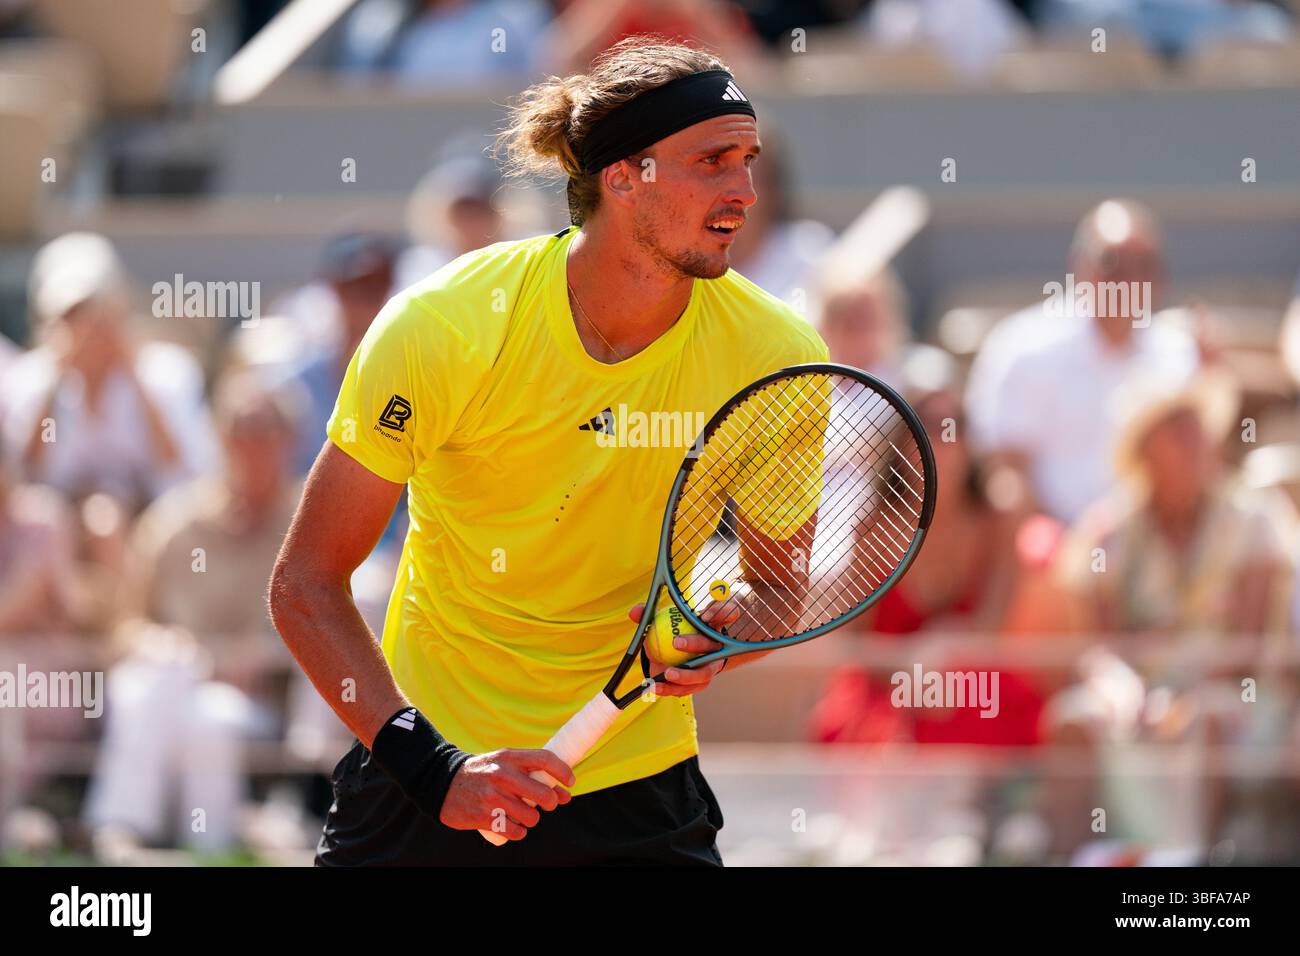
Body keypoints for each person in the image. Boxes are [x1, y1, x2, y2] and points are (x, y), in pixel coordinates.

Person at [269, 37, 828, 866]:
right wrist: (436, 771)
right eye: (713, 160)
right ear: (622, 177)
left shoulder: (777, 357)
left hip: (637, 784)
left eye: (748, 160)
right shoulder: (444, 328)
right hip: (426, 770)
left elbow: (780, 585)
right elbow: (305, 583)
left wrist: (727, 630)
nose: (744, 190)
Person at [965, 199, 1200, 524]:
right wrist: (1063, 550)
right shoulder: (1023, 347)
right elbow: (1004, 473)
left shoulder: (1178, 352)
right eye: (1112, 261)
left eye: (1143, 264)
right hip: (1048, 555)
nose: (1127, 277)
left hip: (1150, 552)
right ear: (1079, 266)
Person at [1, 232, 219, 516]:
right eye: (72, 317)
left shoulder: (170, 371)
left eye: (96, 316)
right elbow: (25, 473)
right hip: (61, 534)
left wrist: (132, 372)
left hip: (151, 529)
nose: (87, 332)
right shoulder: (28, 379)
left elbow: (182, 468)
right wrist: (57, 379)